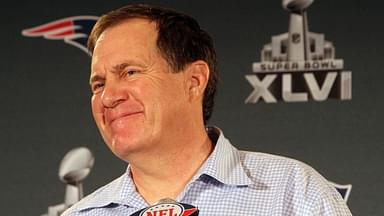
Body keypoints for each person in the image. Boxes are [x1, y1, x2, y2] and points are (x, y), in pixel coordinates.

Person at [62, 4, 352, 215]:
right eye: (98, 84)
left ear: (194, 81)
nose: (109, 96)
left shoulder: (296, 194)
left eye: (131, 72)